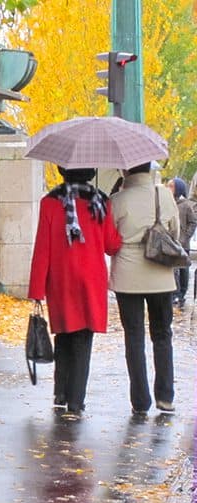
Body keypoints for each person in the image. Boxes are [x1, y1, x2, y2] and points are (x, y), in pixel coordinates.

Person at [28, 166, 122, 414]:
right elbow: (111, 245)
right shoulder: (101, 202)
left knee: (63, 333)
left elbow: (42, 248)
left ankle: (60, 392)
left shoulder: (49, 202)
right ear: (90, 172)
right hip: (91, 279)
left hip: (61, 279)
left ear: (63, 172)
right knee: (83, 338)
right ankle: (76, 400)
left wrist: (37, 289)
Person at [109, 162, 180, 414]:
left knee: (134, 337)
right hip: (160, 273)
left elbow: (110, 241)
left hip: (127, 276)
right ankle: (165, 396)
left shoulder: (117, 199)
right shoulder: (164, 195)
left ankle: (140, 401)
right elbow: (175, 232)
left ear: (125, 170)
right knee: (162, 334)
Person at [166, 176, 196, 308]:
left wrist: (185, 237)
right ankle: (174, 293)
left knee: (183, 269)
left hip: (183, 243)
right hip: (172, 242)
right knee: (173, 269)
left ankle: (182, 293)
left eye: (171, 186)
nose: (168, 188)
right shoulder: (167, 203)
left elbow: (193, 222)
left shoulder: (186, 205)